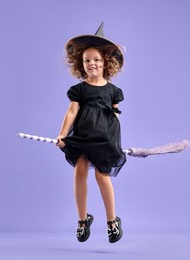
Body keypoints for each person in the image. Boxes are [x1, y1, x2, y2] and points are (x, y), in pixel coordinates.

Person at [56, 23, 126, 243]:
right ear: (81, 64)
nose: (92, 64)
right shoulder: (80, 89)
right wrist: (62, 134)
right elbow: (71, 112)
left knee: (101, 176)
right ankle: (82, 219)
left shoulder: (113, 91)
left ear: (106, 62)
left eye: (96, 59)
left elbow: (115, 117)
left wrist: (113, 140)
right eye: (87, 60)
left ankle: (112, 221)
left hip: (104, 138)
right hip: (82, 137)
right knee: (80, 170)